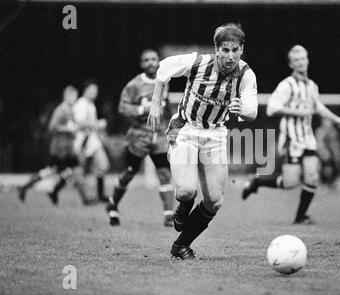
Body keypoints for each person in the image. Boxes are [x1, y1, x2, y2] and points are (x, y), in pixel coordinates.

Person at [148, 23, 258, 259]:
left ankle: (180, 245)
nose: (230, 56)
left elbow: (252, 110)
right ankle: (184, 206)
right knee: (187, 190)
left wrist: (243, 110)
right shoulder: (197, 63)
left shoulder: (246, 74)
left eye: (235, 50)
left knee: (214, 201)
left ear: (241, 50)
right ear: (217, 49)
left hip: (216, 134)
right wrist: (155, 103)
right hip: (186, 129)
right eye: (225, 50)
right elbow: (163, 69)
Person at [242, 45, 340, 224]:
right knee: (290, 182)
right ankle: (257, 182)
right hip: (291, 139)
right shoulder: (286, 85)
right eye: (296, 60)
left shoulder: (312, 86)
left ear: (307, 60)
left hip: (308, 139)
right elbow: (272, 108)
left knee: (312, 177)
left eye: (303, 58)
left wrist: (336, 118)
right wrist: (297, 112)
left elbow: (317, 106)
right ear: (291, 64)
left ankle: (300, 217)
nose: (301, 62)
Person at [105, 49, 175, 227]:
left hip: (158, 136)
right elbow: (122, 108)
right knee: (129, 173)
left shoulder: (164, 82)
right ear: (141, 64)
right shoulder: (134, 85)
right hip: (139, 137)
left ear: (158, 61)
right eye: (146, 60)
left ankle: (168, 215)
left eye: (153, 59)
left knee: (165, 174)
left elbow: (165, 108)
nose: (151, 62)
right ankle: (113, 204)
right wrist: (142, 110)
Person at [18, 86, 90, 205]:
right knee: (58, 172)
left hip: (69, 149)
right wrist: (67, 129)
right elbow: (51, 127)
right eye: (71, 96)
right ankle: (26, 187)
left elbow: (74, 126)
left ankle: (82, 199)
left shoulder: (70, 109)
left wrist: (82, 128)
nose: (74, 98)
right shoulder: (60, 110)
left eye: (75, 96)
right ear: (65, 96)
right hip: (59, 150)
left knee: (74, 171)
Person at [73, 80, 110, 203]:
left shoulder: (90, 104)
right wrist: (97, 124)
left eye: (96, 91)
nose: (94, 93)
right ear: (85, 90)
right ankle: (85, 198)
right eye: (92, 90)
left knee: (103, 166)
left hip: (93, 140)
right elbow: (79, 123)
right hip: (83, 141)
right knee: (80, 170)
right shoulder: (81, 104)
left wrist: (100, 132)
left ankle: (100, 195)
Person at [315, 117, 340, 188]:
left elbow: (335, 143)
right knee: (323, 168)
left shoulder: (333, 131)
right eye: (326, 121)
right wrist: (323, 152)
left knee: (334, 167)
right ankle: (322, 183)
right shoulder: (320, 131)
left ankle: (331, 183)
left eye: (329, 122)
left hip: (331, 153)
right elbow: (319, 143)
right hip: (322, 153)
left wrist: (337, 153)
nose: (328, 123)